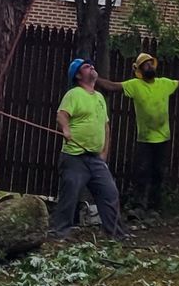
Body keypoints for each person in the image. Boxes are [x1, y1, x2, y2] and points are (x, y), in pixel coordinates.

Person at [47, 56, 125, 240]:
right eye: (85, 67)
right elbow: (62, 115)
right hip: (75, 156)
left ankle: (116, 235)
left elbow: (105, 126)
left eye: (90, 65)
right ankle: (60, 233)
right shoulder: (73, 94)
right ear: (78, 76)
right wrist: (65, 129)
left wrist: (104, 153)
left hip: (95, 158)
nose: (91, 67)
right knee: (70, 193)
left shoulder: (99, 97)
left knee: (110, 192)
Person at [115, 50, 179, 213]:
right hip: (145, 139)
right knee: (141, 172)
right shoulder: (135, 85)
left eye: (150, 63)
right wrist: (93, 79)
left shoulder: (164, 83)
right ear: (140, 70)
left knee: (159, 173)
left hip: (163, 138)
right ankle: (138, 206)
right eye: (145, 65)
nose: (148, 66)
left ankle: (154, 207)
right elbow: (113, 86)